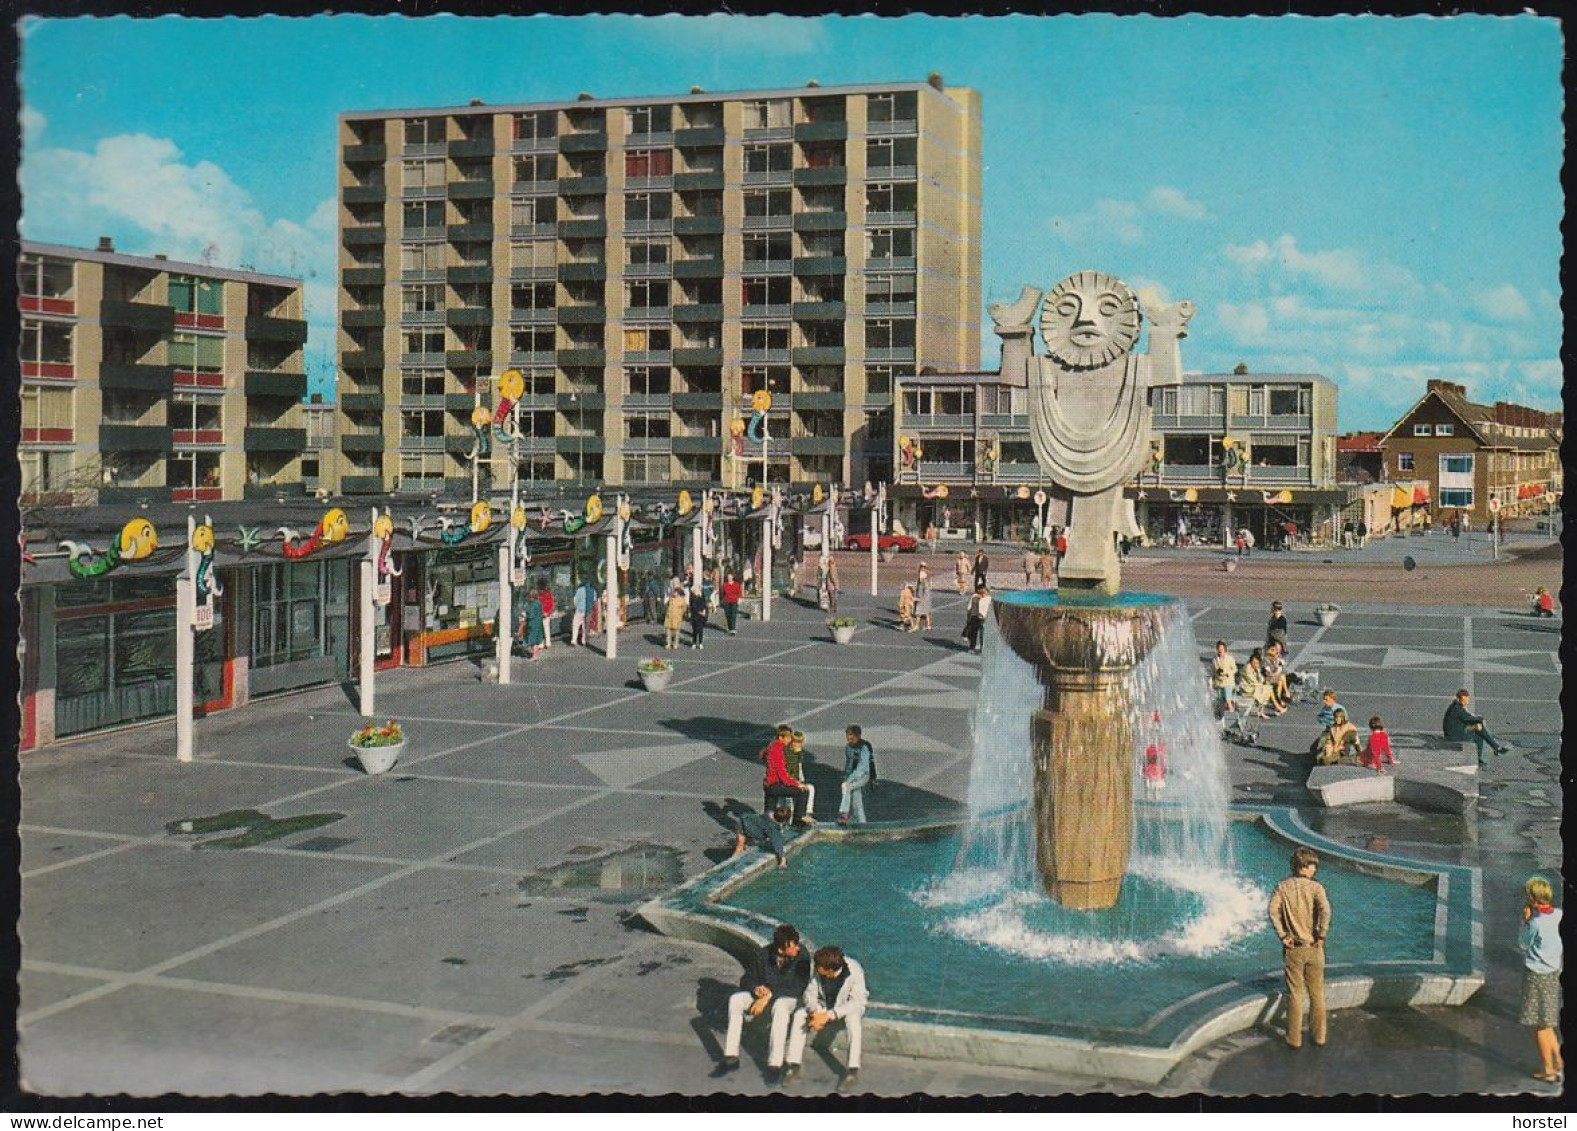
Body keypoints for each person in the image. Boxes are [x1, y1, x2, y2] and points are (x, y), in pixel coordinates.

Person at [714, 920, 810, 1080]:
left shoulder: (803, 957)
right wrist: (755, 989)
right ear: (781, 948)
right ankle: (731, 1056)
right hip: (764, 995)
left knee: (780, 1007)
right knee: (736, 1000)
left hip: (789, 998)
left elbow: (798, 987)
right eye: (793, 946)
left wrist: (768, 996)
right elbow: (746, 979)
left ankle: (775, 1065)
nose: (797, 948)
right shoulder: (763, 954)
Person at [1268, 847, 1331, 1049]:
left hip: (1293, 947)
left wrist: (1283, 935)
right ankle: (1319, 1036)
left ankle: (1294, 1039)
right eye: (1313, 866)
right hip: (1314, 946)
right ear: (1304, 866)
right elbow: (1326, 911)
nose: (1314, 869)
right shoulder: (1316, 888)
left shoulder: (1282, 887)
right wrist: (1321, 934)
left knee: (1295, 994)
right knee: (1317, 994)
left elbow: (1272, 911)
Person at [782, 946, 868, 1090]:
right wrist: (813, 1012)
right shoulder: (819, 969)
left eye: (819, 968)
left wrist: (828, 1016)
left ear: (830, 970)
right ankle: (794, 1065)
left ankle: (853, 1070)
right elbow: (810, 994)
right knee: (799, 1015)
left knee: (854, 1022)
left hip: (847, 1007)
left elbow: (858, 1001)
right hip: (824, 1005)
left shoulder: (855, 971)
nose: (816, 970)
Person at [1519, 876, 1564, 1084]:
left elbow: (1522, 944)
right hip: (1553, 973)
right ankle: (1559, 1062)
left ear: (1533, 900)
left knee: (1540, 1025)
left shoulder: (1536, 923)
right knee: (1548, 1022)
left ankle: (1549, 1070)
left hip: (1536, 976)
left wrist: (1525, 922)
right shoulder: (1559, 915)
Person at [1443, 688, 1511, 765]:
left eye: (1467, 700)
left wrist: (1478, 720)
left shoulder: (1455, 706)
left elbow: (1468, 717)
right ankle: (1493, 751)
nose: (1467, 702)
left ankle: (1493, 750)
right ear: (1459, 699)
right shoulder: (1457, 709)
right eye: (1464, 700)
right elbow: (1468, 719)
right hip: (1454, 736)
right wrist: (1480, 719)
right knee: (1478, 735)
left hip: (1456, 730)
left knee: (1479, 729)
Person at [762, 724, 810, 823]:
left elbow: (762, 755)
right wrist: (797, 784)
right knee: (803, 792)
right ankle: (798, 820)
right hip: (775, 785)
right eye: (788, 737)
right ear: (781, 737)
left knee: (769, 814)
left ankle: (765, 828)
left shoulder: (772, 746)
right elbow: (782, 775)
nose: (790, 739)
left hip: (768, 784)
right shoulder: (778, 750)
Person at [729, 804, 794, 869]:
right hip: (748, 828)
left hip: (744, 820)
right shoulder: (772, 829)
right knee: (741, 845)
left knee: (740, 845)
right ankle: (734, 863)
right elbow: (777, 843)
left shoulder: (769, 814)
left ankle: (735, 856)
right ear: (784, 821)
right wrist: (783, 860)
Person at [838, 725, 874, 826]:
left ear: (858, 736)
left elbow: (862, 767)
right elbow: (849, 763)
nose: (849, 740)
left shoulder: (864, 747)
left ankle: (844, 814)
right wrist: (846, 776)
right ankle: (861, 821)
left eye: (851, 737)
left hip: (863, 776)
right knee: (856, 798)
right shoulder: (848, 747)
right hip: (852, 775)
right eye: (848, 737)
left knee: (847, 788)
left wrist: (849, 780)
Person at [1238, 651, 1284, 718]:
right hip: (1246, 688)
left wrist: (1258, 671)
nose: (1255, 664)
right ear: (1250, 661)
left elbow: (1261, 680)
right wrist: (1262, 685)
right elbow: (1253, 681)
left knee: (1268, 688)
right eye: (1253, 662)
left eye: (1257, 663)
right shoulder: (1247, 668)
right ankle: (1267, 709)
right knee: (1267, 689)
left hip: (1253, 687)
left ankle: (1263, 711)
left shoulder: (1255, 668)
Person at [785, 731, 816, 824]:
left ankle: (807, 813)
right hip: (787, 783)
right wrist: (798, 783)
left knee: (810, 788)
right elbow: (787, 774)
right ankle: (797, 817)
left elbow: (799, 770)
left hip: (796, 781)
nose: (798, 745)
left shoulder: (798, 754)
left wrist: (801, 781)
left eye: (800, 742)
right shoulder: (789, 755)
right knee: (804, 790)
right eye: (796, 742)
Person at [1211, 641, 1238, 716]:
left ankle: (1231, 711)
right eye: (1218, 649)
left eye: (1222, 649)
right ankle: (1221, 713)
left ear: (1225, 650)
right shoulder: (1214, 660)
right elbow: (1213, 671)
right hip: (1218, 682)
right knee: (1220, 699)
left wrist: (1228, 673)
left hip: (1228, 682)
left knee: (1227, 697)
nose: (1220, 651)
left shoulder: (1230, 659)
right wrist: (1212, 681)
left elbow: (1235, 669)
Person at [1262, 641, 1293, 705]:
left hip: (1276, 677)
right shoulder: (1266, 659)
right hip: (1268, 678)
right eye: (1273, 649)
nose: (1276, 651)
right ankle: (1284, 695)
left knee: (1284, 678)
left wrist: (1279, 665)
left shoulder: (1277, 659)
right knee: (1282, 678)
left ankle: (1280, 696)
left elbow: (1282, 669)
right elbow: (1268, 672)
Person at [518, 588, 546, 660]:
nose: (527, 598)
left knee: (533, 641)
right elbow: (541, 612)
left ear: (531, 597)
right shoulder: (539, 603)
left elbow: (531, 616)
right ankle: (536, 653)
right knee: (537, 640)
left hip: (532, 625)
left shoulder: (532, 605)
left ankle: (534, 656)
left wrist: (524, 615)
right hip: (539, 624)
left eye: (528, 596)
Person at [964, 585, 992, 654]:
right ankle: (971, 648)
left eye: (984, 592)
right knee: (973, 633)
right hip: (975, 617)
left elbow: (991, 609)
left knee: (983, 634)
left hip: (984, 618)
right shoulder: (974, 597)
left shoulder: (989, 598)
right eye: (981, 591)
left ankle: (983, 648)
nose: (982, 593)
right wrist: (968, 617)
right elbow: (969, 607)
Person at [571, 579, 597, 646]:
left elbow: (575, 600)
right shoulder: (593, 591)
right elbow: (594, 601)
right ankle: (583, 641)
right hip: (588, 611)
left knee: (575, 625)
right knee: (585, 627)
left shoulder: (580, 590)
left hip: (579, 610)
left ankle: (574, 640)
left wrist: (575, 607)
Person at [663, 584, 687, 651]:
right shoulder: (671, 599)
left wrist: (681, 614)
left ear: (678, 593)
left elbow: (684, 608)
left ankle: (675, 644)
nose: (673, 593)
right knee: (668, 632)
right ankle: (668, 643)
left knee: (676, 632)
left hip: (677, 618)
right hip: (669, 617)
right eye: (673, 592)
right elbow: (667, 605)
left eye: (675, 592)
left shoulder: (682, 600)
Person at [688, 586, 709, 650]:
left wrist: (705, 611)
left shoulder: (702, 597)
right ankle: (694, 643)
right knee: (695, 630)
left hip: (701, 617)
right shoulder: (692, 598)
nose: (697, 591)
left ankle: (700, 643)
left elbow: (705, 605)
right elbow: (693, 607)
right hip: (695, 616)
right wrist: (700, 612)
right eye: (695, 590)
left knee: (700, 630)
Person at [914, 563, 934, 632]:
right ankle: (928, 625)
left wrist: (919, 597)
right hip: (926, 597)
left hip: (923, 597)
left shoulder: (922, 575)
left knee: (919, 612)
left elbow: (923, 589)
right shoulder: (923, 574)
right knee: (926, 612)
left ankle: (916, 625)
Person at [537, 581, 556, 650]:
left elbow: (551, 604)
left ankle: (547, 643)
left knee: (545, 629)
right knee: (541, 630)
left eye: (541, 589)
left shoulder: (548, 594)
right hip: (540, 614)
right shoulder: (540, 594)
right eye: (540, 590)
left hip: (545, 615)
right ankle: (541, 644)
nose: (540, 591)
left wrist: (547, 613)